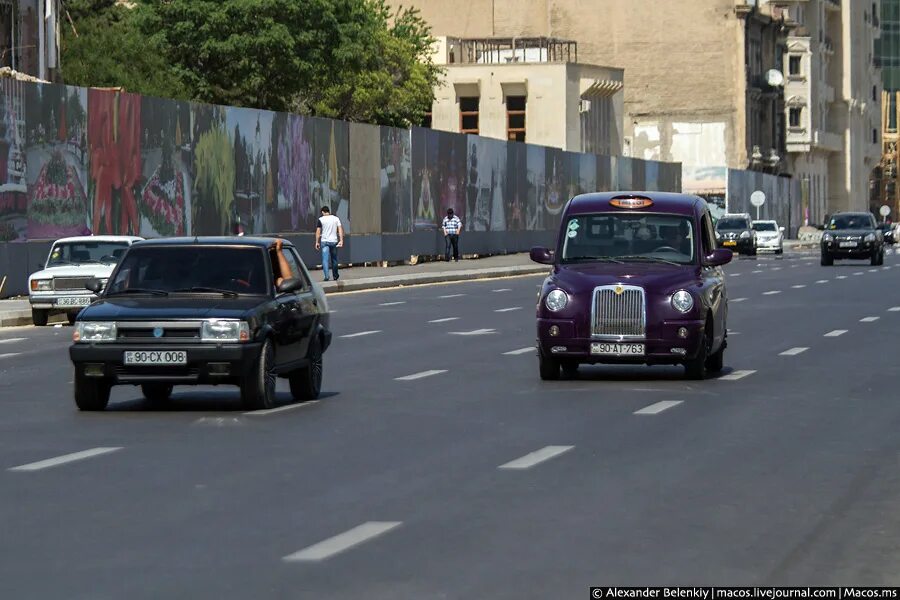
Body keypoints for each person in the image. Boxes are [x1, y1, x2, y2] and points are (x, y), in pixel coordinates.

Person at [315, 205, 344, 281]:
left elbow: (318, 232)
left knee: (325, 259)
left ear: (322, 212)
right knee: (334, 259)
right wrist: (341, 240)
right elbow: (340, 229)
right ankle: (335, 275)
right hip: (334, 241)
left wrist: (317, 242)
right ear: (328, 211)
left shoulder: (321, 219)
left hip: (324, 242)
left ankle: (327, 276)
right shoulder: (336, 219)